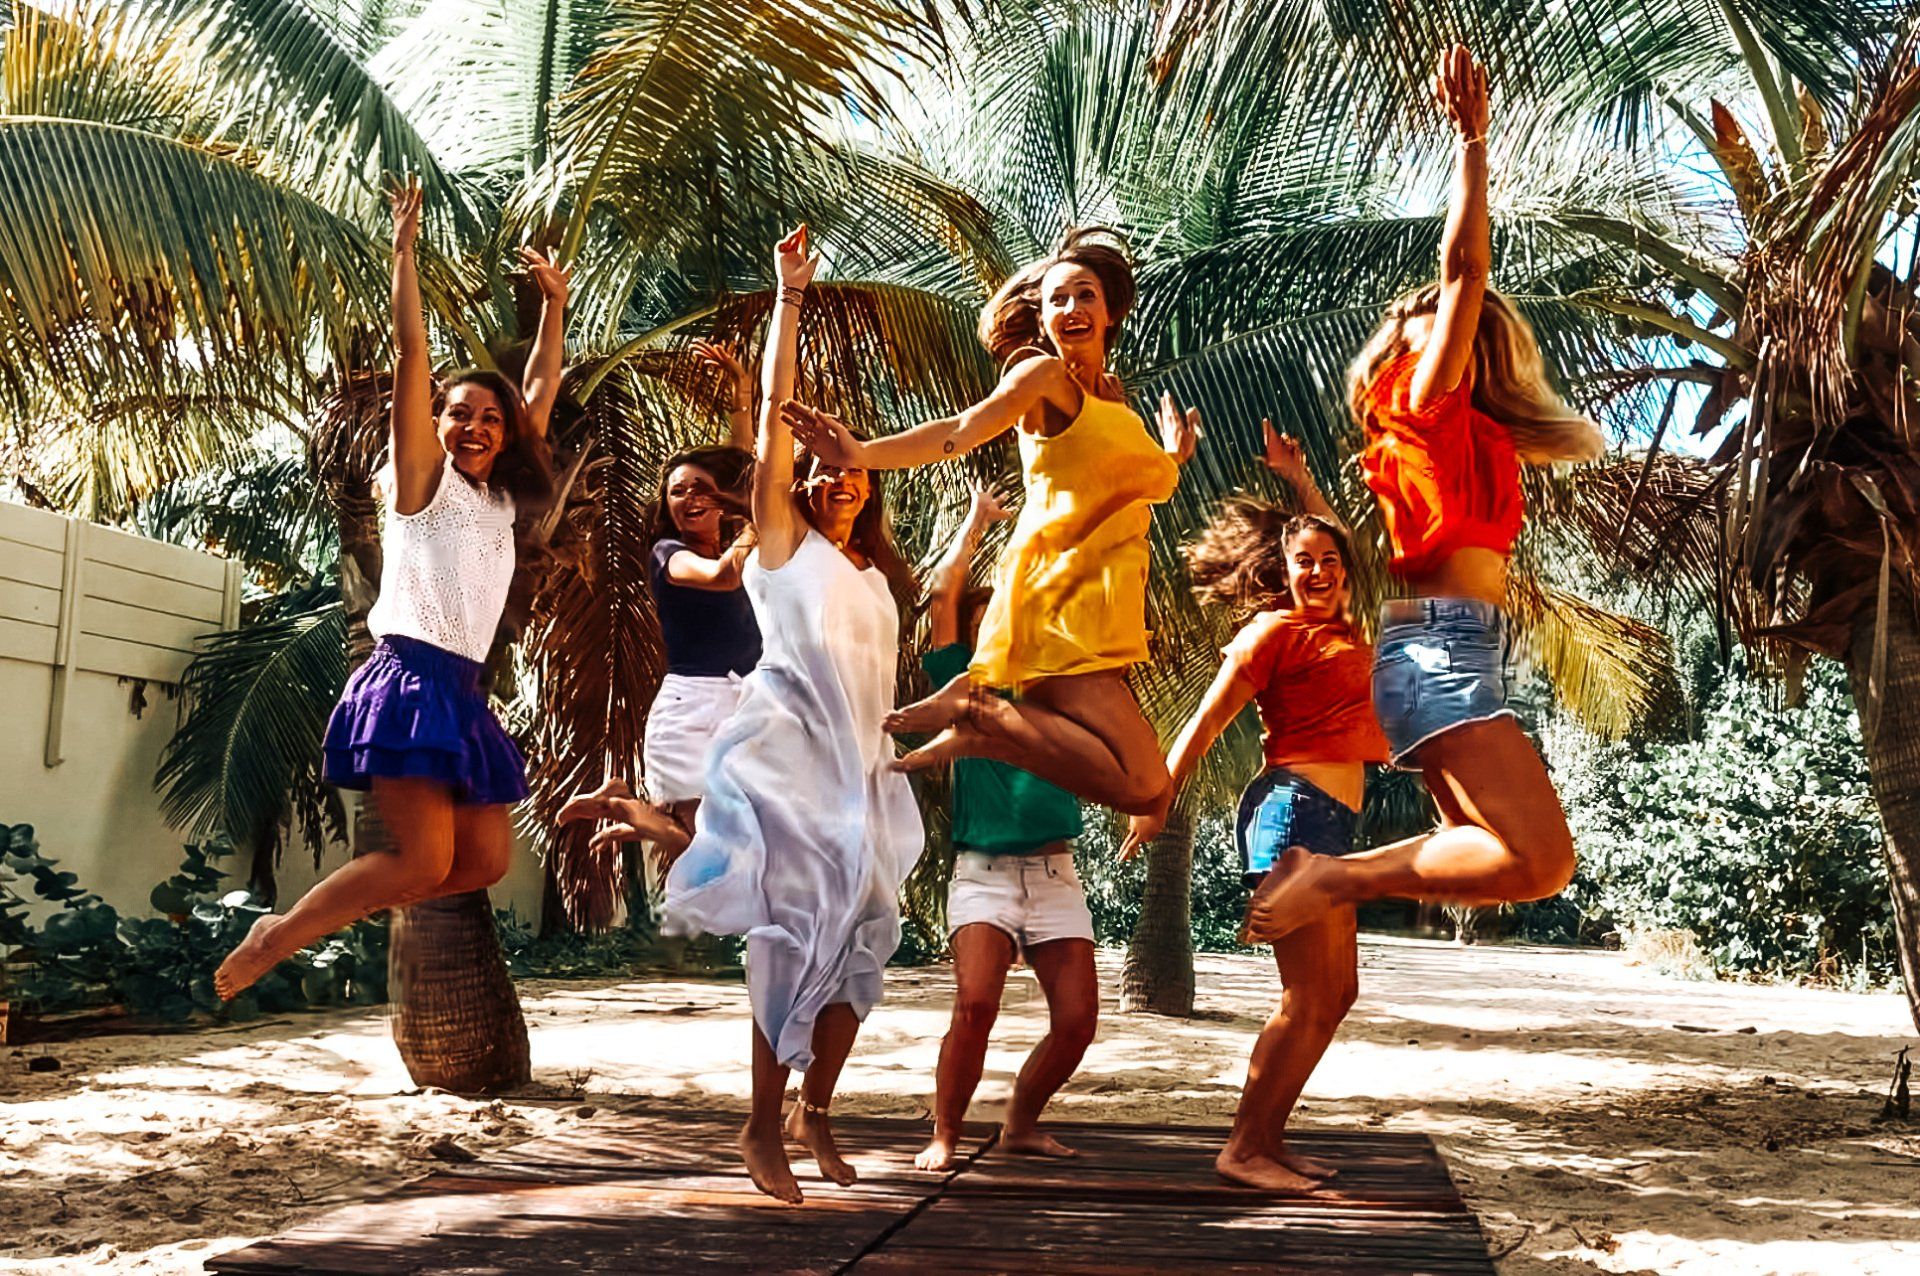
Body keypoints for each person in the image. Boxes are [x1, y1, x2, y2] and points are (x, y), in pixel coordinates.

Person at [1246, 45, 1602, 945]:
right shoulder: (1422, 400)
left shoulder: (1453, 434)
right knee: (1540, 860)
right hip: (1440, 649)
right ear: (1408, 347)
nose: (1450, 328)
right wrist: (1473, 143)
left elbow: (1379, 545)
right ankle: (1332, 877)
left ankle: (1335, 880)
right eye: (1431, 324)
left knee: (1502, 858)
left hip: (1438, 649)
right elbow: (1464, 272)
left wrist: (1301, 485)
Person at [214, 180, 566, 999]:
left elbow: (541, 389)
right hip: (409, 676)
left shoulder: (500, 498)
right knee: (420, 861)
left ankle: (343, 910)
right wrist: (404, 252)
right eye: (460, 414)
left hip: (464, 689)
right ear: (436, 424)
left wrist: (555, 306)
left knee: (482, 862)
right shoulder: (421, 484)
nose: (475, 426)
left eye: (491, 419)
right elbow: (412, 355)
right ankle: (279, 935)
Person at [661, 225, 922, 1205]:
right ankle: (760, 1126)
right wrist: (790, 297)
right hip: (791, 766)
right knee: (792, 938)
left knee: (864, 946)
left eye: (855, 464)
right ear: (800, 483)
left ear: (872, 479)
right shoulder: (783, 544)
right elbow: (775, 416)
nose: (839, 475)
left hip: (865, 778)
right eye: (822, 465)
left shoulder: (877, 576)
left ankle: (816, 1108)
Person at [783, 227, 1198, 817]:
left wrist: (1171, 457)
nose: (1072, 308)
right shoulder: (1042, 378)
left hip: (1102, 607)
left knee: (1152, 791)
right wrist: (862, 454)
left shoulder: (1112, 399)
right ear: (1042, 319)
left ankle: (982, 733)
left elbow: (1119, 486)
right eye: (1057, 300)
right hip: (1058, 603)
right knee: (1143, 788)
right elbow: (962, 429)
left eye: (1085, 295)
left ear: (1110, 312)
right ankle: (979, 712)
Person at [1123, 426, 1387, 1192]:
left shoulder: (1340, 628)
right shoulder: (1272, 633)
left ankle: (1266, 1139)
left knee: (1337, 994)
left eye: (1329, 561)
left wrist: (1300, 479)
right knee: (1308, 995)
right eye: (1303, 562)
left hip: (1329, 822)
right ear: (1282, 571)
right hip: (1293, 818)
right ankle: (1243, 1149)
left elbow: (1337, 538)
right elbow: (1204, 723)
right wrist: (1156, 802)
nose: (1319, 571)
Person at [912, 484, 1099, 1174]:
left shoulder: (1060, 686)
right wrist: (976, 522)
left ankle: (1020, 1123)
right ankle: (945, 1134)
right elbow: (942, 597)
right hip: (983, 873)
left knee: (1077, 1023)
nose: (999, 625)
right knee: (975, 1004)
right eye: (984, 618)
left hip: (1055, 874)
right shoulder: (962, 685)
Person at [559, 341, 760, 866]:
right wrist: (759, 516)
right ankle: (628, 806)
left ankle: (626, 802)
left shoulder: (733, 540)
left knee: (737, 844)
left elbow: (741, 468)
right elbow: (722, 578)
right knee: (706, 851)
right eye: (677, 492)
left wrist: (741, 395)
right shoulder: (668, 553)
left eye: (701, 488)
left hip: (741, 705)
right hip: (692, 709)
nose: (691, 498)